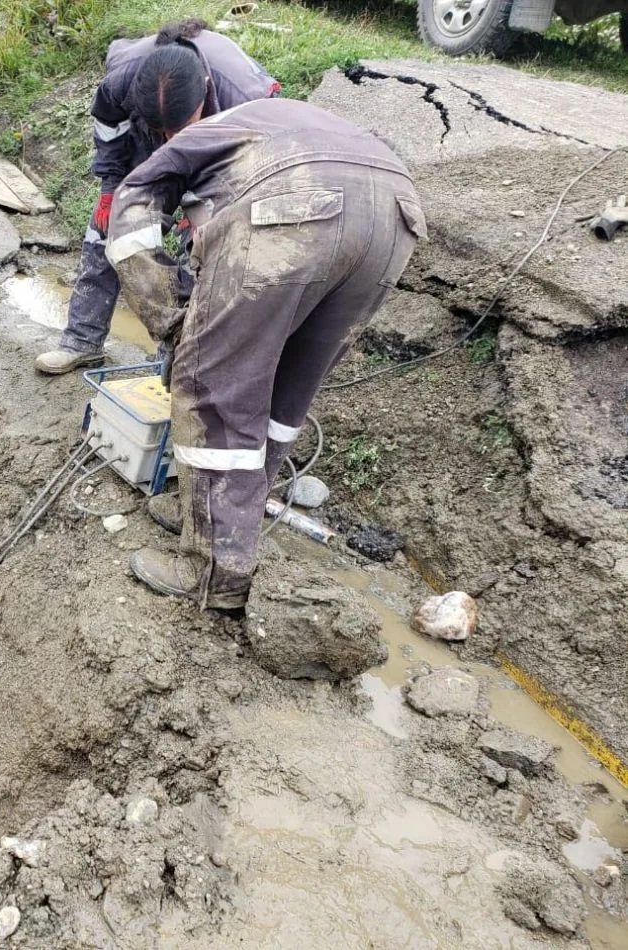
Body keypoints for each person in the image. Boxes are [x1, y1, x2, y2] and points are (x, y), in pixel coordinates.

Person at [105, 93, 425, 610]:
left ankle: (215, 571)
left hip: (293, 207)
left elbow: (131, 210)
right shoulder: (267, 123)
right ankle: (222, 518)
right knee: (289, 380)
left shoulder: (189, 146)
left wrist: (170, 317)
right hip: (396, 216)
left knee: (212, 390)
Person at [34, 18, 280, 376]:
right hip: (142, 148)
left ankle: (177, 357)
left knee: (206, 251)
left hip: (218, 158)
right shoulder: (125, 76)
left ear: (205, 90)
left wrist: (208, 207)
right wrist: (110, 188)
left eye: (179, 127)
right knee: (111, 229)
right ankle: (81, 342)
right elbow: (108, 125)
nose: (172, 138)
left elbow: (253, 164)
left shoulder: (244, 95)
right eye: (164, 129)